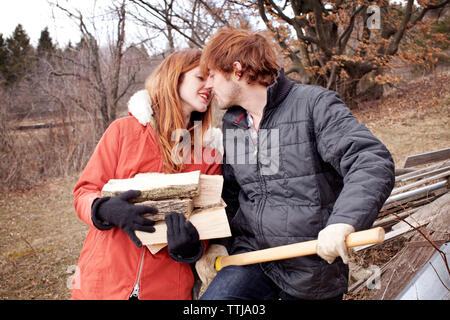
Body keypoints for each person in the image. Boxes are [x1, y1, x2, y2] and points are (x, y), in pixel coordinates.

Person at [195, 28, 395, 300]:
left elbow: (371, 160)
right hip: (253, 257)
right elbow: (232, 193)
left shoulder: (314, 104)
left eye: (212, 75)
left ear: (237, 70)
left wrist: (344, 222)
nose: (207, 85)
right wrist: (219, 243)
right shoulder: (234, 123)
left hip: (310, 263)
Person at [71, 48, 222, 300]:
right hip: (104, 281)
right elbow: (83, 193)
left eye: (213, 79)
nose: (209, 85)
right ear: (175, 77)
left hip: (167, 288)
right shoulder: (123, 131)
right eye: (200, 77)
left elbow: (208, 222)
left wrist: (192, 247)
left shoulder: (208, 155)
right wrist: (104, 209)